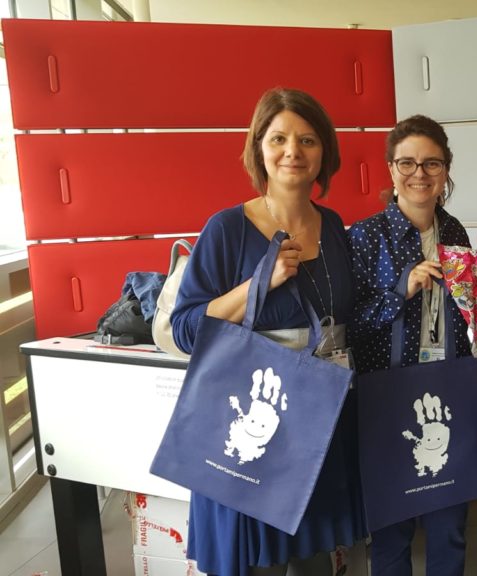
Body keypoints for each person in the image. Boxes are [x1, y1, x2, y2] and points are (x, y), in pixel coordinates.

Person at [171, 88, 366, 576]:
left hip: (318, 424)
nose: (292, 151)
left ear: (324, 152)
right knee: (260, 566)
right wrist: (260, 281)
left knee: (315, 563)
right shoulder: (226, 229)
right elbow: (186, 329)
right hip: (254, 433)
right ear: (259, 148)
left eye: (307, 140)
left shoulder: (334, 226)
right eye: (278, 138)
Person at [348, 114, 472, 576]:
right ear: (391, 169)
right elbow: (347, 328)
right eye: (407, 163)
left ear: (445, 170)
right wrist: (400, 291)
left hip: (448, 393)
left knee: (449, 527)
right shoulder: (363, 238)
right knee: (391, 530)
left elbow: (470, 314)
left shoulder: (456, 233)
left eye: (431, 163)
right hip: (386, 398)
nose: (419, 173)